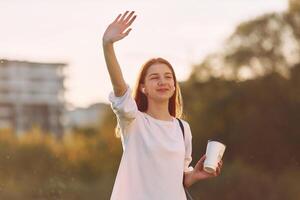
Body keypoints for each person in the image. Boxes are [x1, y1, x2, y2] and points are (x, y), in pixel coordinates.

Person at [102, 10, 223, 200]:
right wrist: (107, 45)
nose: (162, 82)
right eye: (154, 77)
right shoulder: (133, 121)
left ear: (174, 86)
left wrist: (195, 175)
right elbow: (119, 87)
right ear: (143, 88)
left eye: (168, 77)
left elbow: (178, 179)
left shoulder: (183, 128)